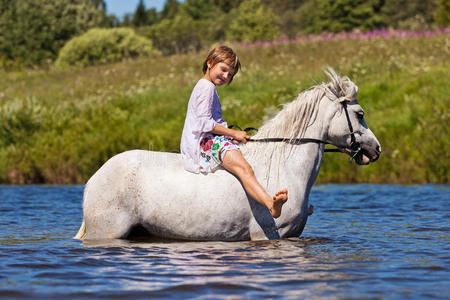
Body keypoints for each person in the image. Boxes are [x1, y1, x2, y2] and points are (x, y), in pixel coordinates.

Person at [180, 45, 288, 218]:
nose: (225, 76)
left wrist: (229, 135)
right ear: (210, 63)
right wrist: (233, 134)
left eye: (230, 74)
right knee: (245, 168)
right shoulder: (206, 87)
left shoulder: (207, 87)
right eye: (223, 70)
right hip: (203, 143)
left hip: (209, 139)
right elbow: (203, 123)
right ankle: (270, 204)